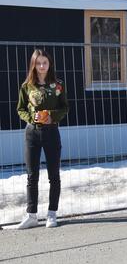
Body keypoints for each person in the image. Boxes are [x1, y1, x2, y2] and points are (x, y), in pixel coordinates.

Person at [16, 49, 69, 229]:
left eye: (44, 62)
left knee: (54, 175)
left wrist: (51, 116)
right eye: (38, 63)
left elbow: (65, 108)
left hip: (51, 132)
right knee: (32, 176)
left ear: (49, 64)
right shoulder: (26, 86)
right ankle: (31, 215)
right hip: (32, 133)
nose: (41, 66)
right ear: (33, 64)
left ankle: (52, 214)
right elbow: (20, 109)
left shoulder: (58, 85)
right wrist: (32, 118)